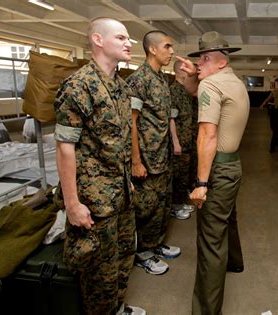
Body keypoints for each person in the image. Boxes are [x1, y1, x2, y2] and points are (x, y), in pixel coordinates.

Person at [53, 18, 145, 315]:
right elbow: (65, 148)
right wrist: (72, 204)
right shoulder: (80, 86)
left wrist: (127, 179)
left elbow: (115, 141)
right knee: (98, 273)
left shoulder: (119, 86)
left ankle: (117, 309)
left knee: (121, 259)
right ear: (98, 40)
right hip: (95, 202)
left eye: (128, 38)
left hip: (120, 195)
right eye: (121, 38)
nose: (129, 43)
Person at [176, 31, 250, 315]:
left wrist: (201, 183)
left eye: (205, 59)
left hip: (217, 168)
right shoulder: (233, 80)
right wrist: (194, 73)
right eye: (198, 59)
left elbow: (207, 134)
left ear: (220, 61)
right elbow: (197, 89)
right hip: (233, 166)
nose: (199, 64)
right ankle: (235, 261)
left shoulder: (212, 85)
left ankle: (206, 311)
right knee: (227, 218)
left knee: (210, 238)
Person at [126, 30, 180, 275]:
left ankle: (155, 244)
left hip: (162, 156)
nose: (172, 52)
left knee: (160, 204)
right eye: (167, 46)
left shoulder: (161, 79)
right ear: (152, 49)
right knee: (146, 207)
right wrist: (136, 161)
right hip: (146, 159)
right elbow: (131, 123)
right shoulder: (139, 80)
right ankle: (142, 252)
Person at [169, 59, 199, 220]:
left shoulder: (185, 90)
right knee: (178, 175)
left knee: (184, 175)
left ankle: (180, 201)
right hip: (179, 141)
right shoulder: (174, 91)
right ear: (181, 71)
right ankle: (175, 206)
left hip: (187, 140)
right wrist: (175, 142)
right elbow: (171, 119)